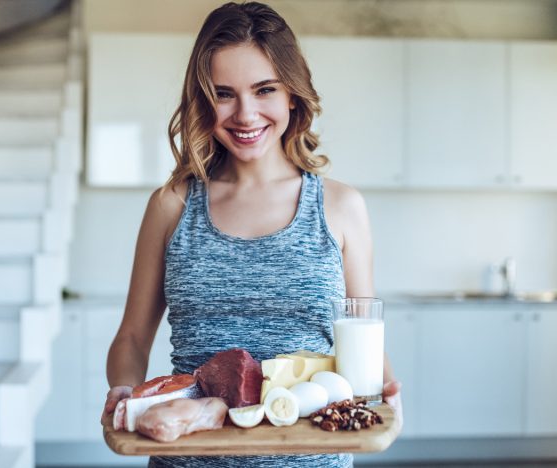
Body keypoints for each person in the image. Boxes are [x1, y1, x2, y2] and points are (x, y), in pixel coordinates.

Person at [101, 2, 402, 467]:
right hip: (188, 459)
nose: (245, 114)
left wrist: (386, 398)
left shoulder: (341, 207)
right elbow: (133, 337)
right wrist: (125, 390)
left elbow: (364, 333)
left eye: (264, 90)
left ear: (292, 96)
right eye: (224, 94)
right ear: (204, 101)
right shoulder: (172, 206)